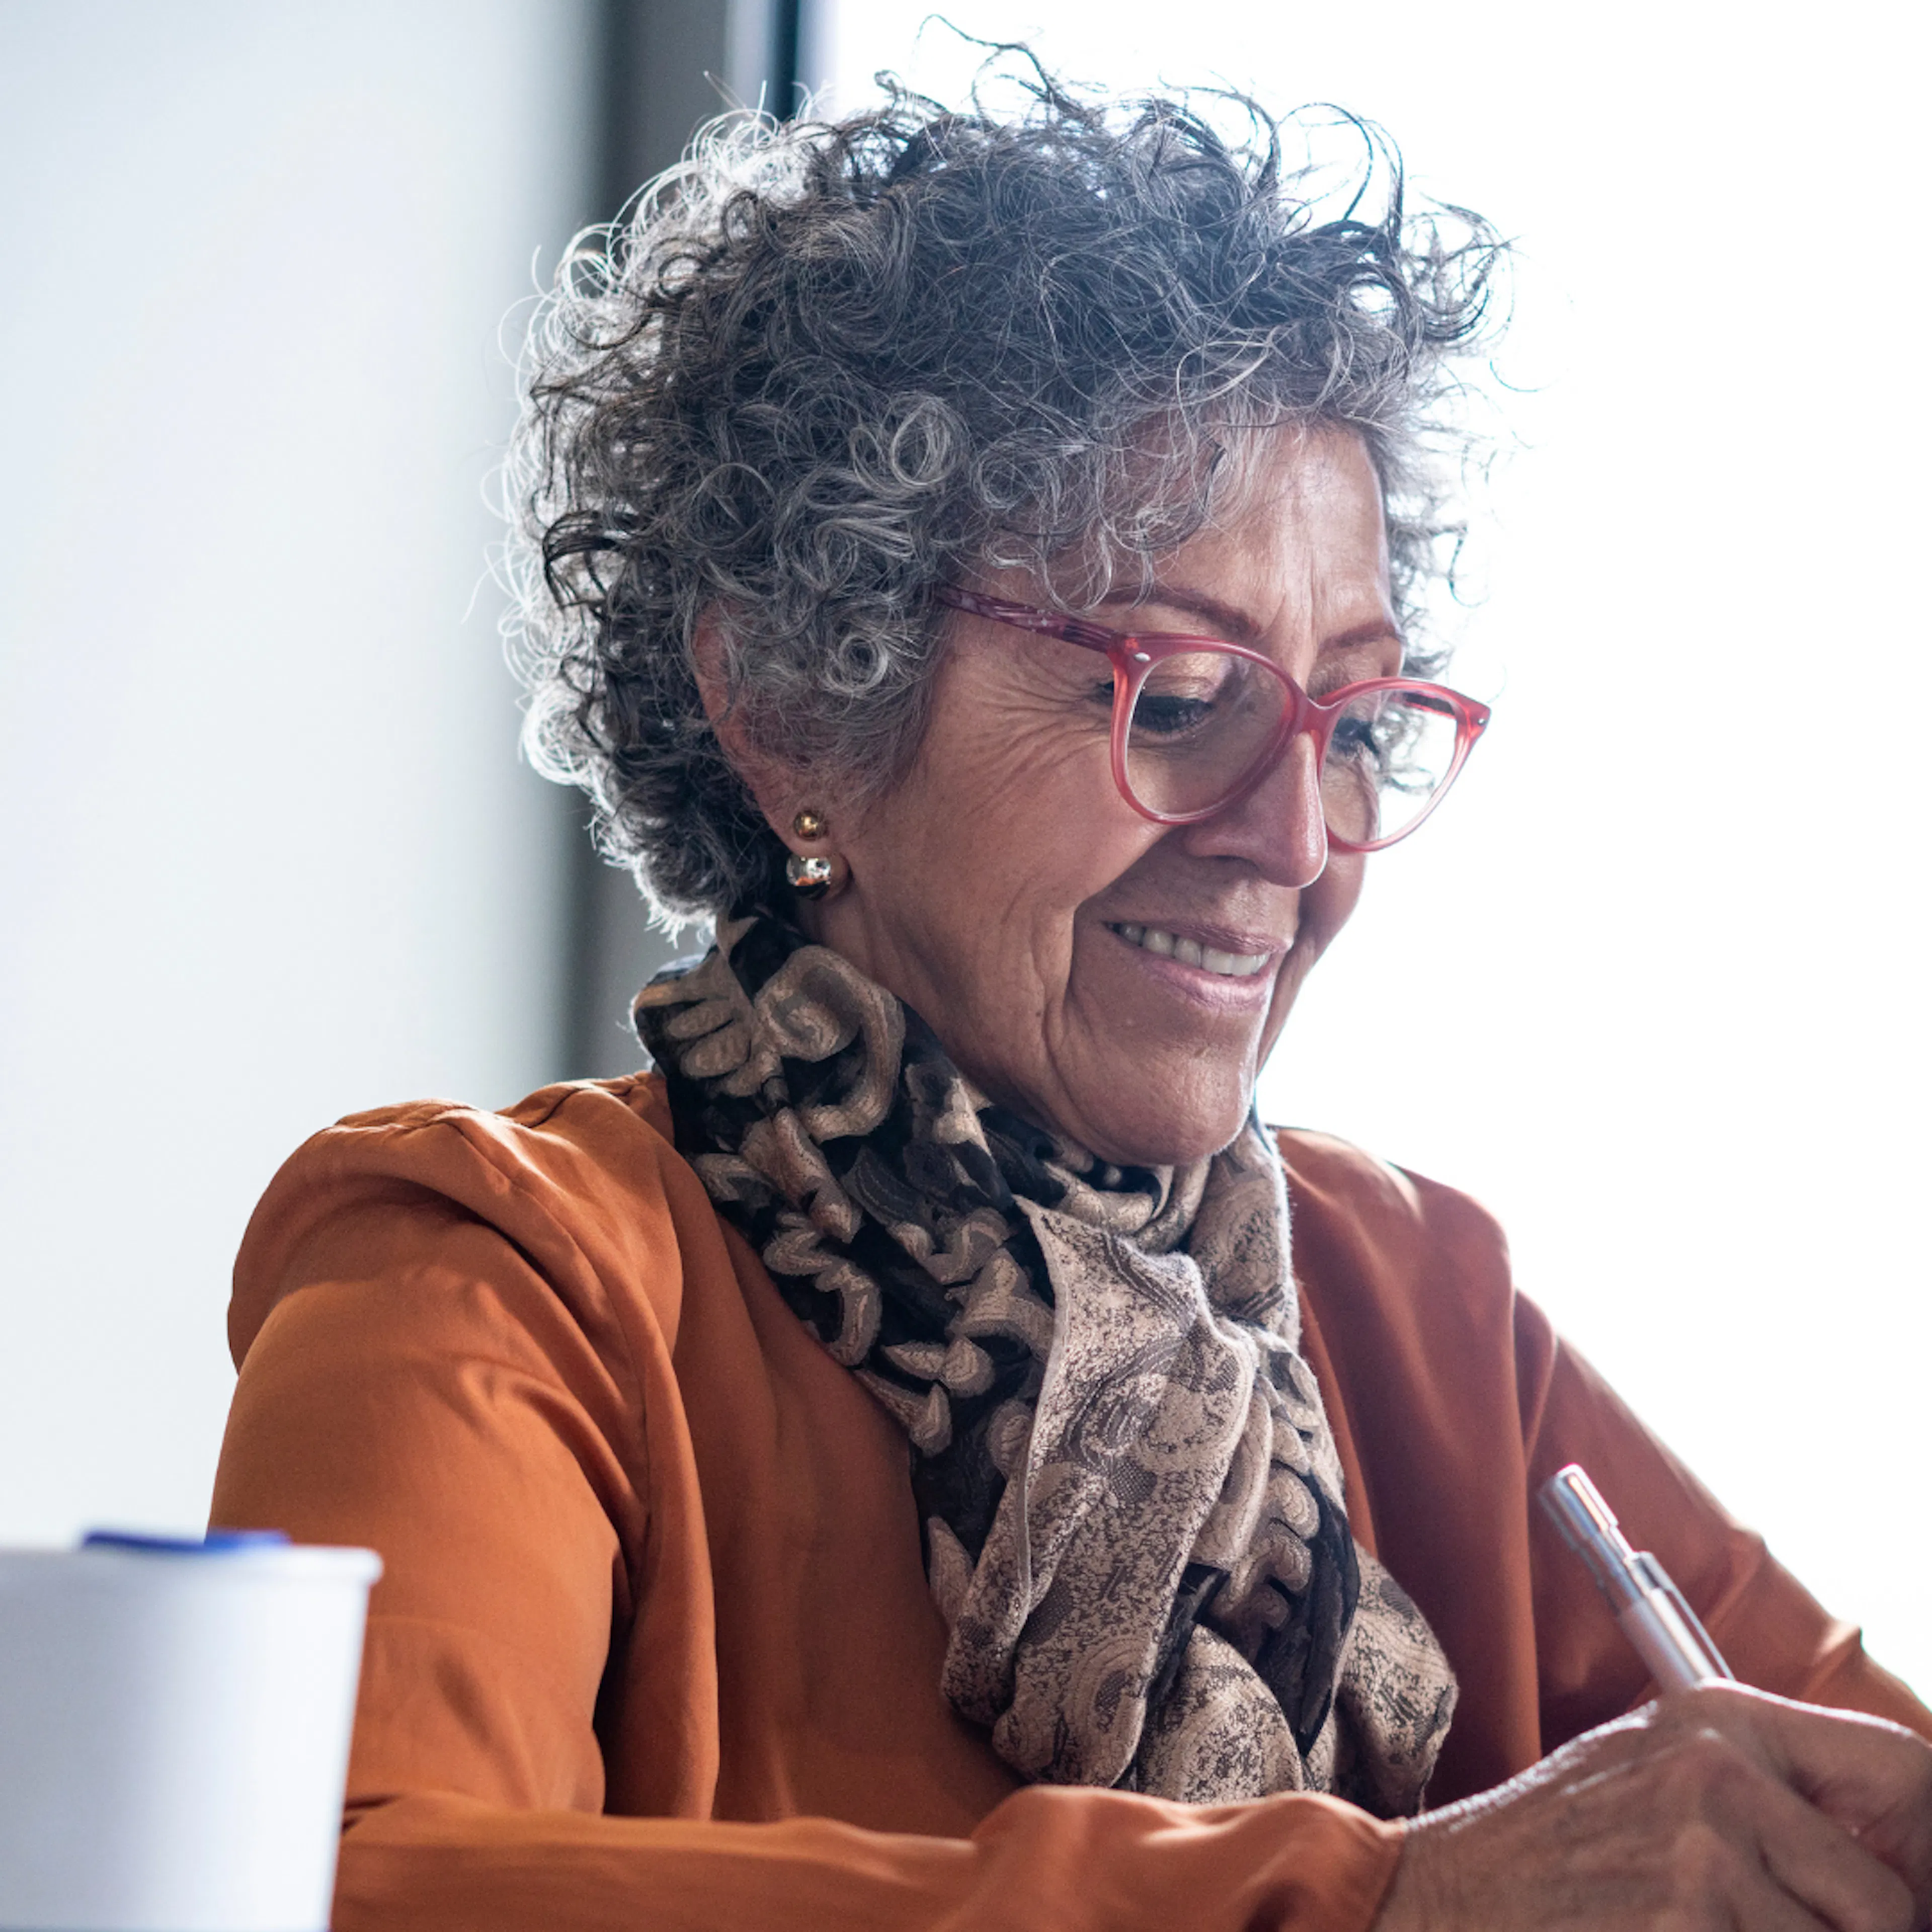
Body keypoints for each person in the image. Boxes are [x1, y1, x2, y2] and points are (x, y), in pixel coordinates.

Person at [210, 68, 1932, 1932]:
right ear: (797, 707)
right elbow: (325, 1890)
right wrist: (1379, 1907)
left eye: (1354, 721)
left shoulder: (1425, 1311)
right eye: (1178, 699)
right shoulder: (499, 1277)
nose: (1292, 837)